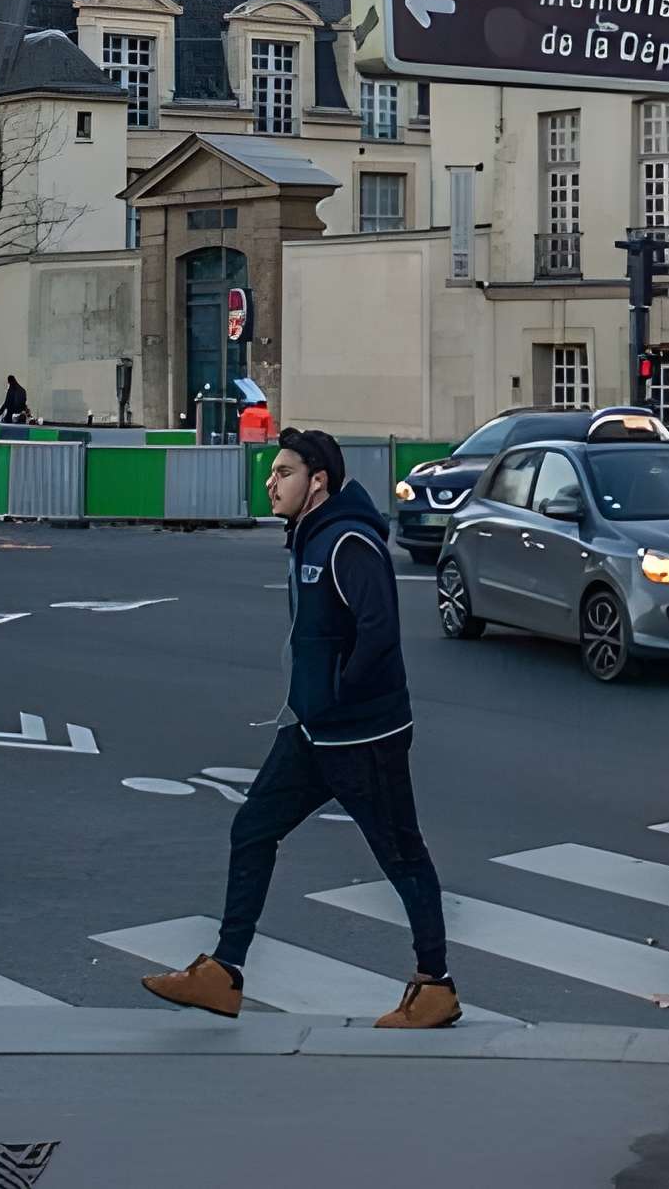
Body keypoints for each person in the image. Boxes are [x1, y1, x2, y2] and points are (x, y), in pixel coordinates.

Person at [141, 427, 458, 1029]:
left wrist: (338, 696)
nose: (271, 481)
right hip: (315, 734)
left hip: (363, 737)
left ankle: (435, 985)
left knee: (402, 857)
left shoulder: (347, 543)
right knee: (253, 828)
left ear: (319, 481)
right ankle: (224, 972)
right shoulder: (309, 539)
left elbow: (380, 633)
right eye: (272, 472)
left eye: (284, 472)